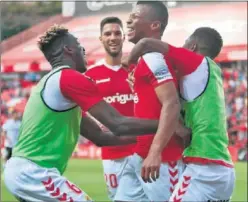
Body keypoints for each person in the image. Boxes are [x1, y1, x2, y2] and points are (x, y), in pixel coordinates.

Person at [3, 24, 161, 202]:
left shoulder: (50, 82)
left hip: (22, 171)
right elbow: (117, 124)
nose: (83, 51)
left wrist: (153, 137)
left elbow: (101, 137)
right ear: (68, 49)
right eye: (79, 46)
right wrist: (166, 125)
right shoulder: (70, 78)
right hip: (34, 172)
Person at [124, 27, 235, 201]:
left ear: (192, 46)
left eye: (184, 44)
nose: (181, 47)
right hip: (224, 169)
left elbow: (145, 43)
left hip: (204, 167)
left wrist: (129, 64)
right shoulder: (213, 72)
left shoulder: (195, 61)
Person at [114, 1, 187, 201]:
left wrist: (155, 152)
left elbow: (171, 104)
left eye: (135, 17)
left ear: (154, 25)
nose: (128, 21)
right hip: (140, 156)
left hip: (162, 161)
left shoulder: (154, 58)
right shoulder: (145, 61)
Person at [85, 17, 137, 200]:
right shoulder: (91, 76)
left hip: (142, 152)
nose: (112, 37)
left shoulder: (137, 69)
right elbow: (81, 113)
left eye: (117, 33)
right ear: (101, 39)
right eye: (107, 33)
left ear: (124, 37)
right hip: (112, 156)